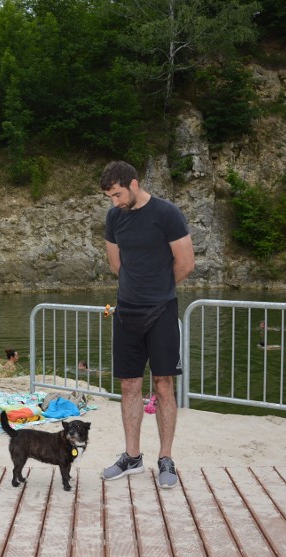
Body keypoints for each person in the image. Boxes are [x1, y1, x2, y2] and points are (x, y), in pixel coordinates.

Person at [99, 160, 195, 489]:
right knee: (129, 386)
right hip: (127, 312)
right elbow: (116, 264)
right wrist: (136, 289)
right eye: (110, 197)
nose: (115, 202)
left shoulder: (167, 214)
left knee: (164, 384)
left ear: (134, 184)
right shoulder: (114, 218)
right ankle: (132, 457)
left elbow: (186, 262)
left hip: (162, 311)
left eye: (117, 194)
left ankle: (165, 458)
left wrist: (158, 289)